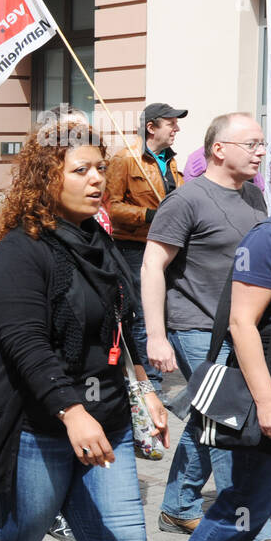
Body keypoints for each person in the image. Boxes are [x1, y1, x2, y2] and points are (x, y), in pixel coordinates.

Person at [0, 118, 230, 541]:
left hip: (106, 425)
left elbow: (120, 322)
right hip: (37, 426)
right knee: (13, 539)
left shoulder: (96, 238)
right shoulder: (20, 249)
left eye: (99, 167)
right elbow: (24, 343)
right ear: (44, 177)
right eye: (79, 170)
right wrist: (70, 411)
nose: (96, 179)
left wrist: (145, 388)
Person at [157, 129, 271, 541]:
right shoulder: (269, 239)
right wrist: (269, 405)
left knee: (256, 497)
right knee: (250, 500)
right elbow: (242, 325)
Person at [106, 102, 188, 393]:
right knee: (142, 314)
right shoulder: (126, 159)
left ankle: (160, 373)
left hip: (168, 248)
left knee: (164, 312)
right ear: (151, 127)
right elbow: (112, 207)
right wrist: (149, 215)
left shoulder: (173, 162)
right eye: (171, 123)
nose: (176, 128)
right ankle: (148, 383)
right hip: (134, 248)